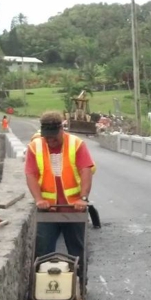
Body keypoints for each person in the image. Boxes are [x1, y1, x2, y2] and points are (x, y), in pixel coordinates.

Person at [24, 111, 95, 276]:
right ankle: (42, 290)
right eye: (47, 138)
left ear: (62, 131)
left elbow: (86, 171)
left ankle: (79, 287)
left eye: (54, 138)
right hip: (48, 210)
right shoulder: (35, 147)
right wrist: (39, 199)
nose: (50, 141)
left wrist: (83, 198)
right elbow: (31, 174)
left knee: (77, 251)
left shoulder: (76, 144)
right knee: (43, 252)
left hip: (74, 209)